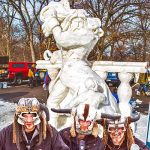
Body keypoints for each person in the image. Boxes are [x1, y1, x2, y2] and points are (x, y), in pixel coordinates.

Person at [0, 98, 69, 150]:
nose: (29, 120)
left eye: (33, 115)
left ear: (39, 115)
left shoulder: (50, 132)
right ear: (18, 116)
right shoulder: (6, 133)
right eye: (25, 115)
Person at [51, 103, 121, 150]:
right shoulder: (63, 135)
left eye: (88, 122)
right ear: (76, 119)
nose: (84, 125)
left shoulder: (98, 143)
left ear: (93, 122)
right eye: (81, 121)